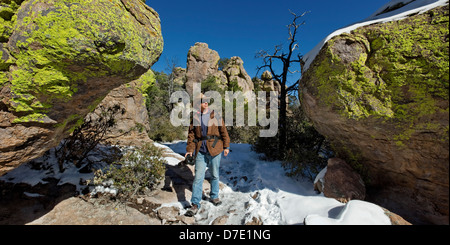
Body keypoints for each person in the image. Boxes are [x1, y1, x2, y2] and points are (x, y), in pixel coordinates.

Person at [184, 94, 230, 216]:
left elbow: (223, 131)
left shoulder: (215, 115)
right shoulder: (195, 117)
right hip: (201, 151)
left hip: (215, 149)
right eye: (203, 101)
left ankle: (214, 196)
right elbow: (191, 135)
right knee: (198, 178)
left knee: (214, 174)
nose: (206, 103)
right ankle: (195, 204)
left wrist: (226, 146)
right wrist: (190, 150)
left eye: (206, 101)